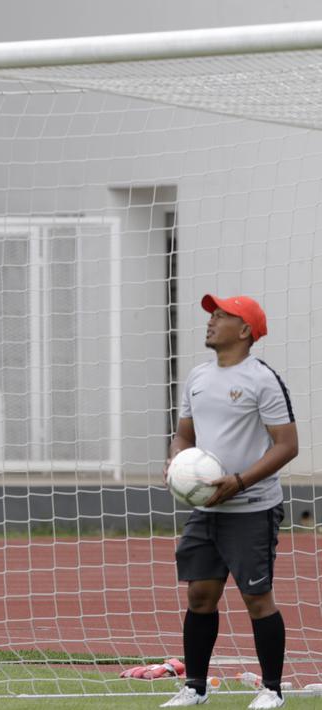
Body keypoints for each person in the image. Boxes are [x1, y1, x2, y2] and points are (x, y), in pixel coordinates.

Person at [160, 295, 298, 709]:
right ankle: (195, 688)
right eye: (211, 314)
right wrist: (176, 460)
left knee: (257, 599)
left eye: (221, 315)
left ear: (244, 330)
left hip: (252, 507)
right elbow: (184, 433)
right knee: (200, 595)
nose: (211, 320)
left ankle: (271, 690)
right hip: (206, 508)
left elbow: (287, 445)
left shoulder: (263, 379)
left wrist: (239, 482)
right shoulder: (198, 377)